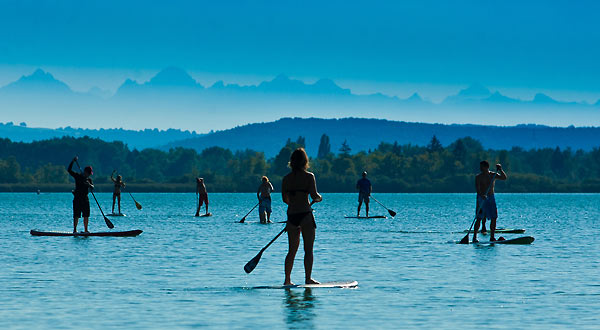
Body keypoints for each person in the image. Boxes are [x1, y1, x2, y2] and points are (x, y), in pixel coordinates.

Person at [282, 148, 322, 286]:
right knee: (308, 250)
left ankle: (287, 280)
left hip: (292, 215)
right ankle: (308, 278)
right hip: (305, 215)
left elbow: (284, 199)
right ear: (305, 161)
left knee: (291, 251)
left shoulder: (286, 179)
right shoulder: (309, 177)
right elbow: (314, 195)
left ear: (292, 162)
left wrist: (294, 203)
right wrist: (319, 198)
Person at [473, 161, 507, 243]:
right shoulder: (478, 177)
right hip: (481, 198)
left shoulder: (492, 175)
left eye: (482, 167)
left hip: (491, 198)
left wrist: (500, 169)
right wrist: (482, 195)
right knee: (479, 218)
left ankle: (492, 237)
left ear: (486, 167)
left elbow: (504, 178)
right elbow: (478, 188)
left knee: (494, 218)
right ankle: (474, 237)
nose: (480, 169)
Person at [67, 156, 94, 233]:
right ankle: (75, 230)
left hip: (85, 199)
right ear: (85, 172)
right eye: (89, 173)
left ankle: (86, 230)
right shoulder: (78, 176)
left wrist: (89, 184)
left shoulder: (89, 180)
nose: (89, 175)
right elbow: (69, 170)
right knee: (76, 215)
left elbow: (92, 187)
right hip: (77, 198)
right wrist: (72, 161)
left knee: (86, 215)